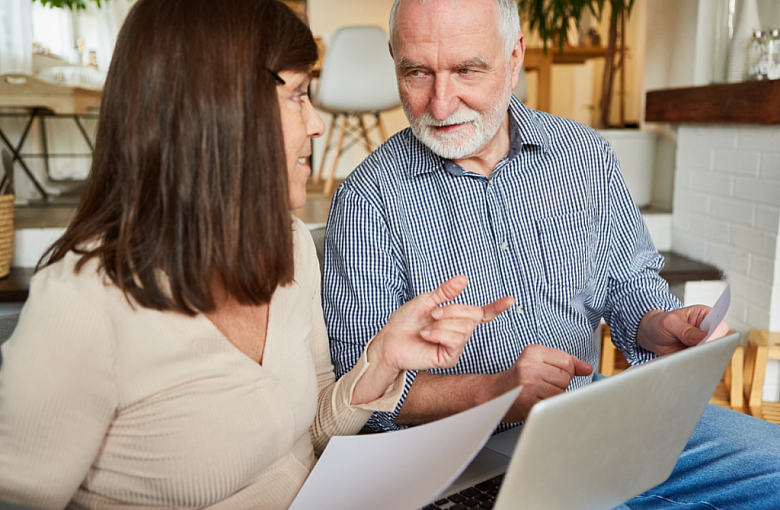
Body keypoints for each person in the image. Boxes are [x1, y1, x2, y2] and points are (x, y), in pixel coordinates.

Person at [0, 1, 513, 509]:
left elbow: (307, 433)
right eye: (297, 96)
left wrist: (381, 360)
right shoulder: (83, 306)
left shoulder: (287, 245)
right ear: (220, 108)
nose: (316, 124)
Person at [323, 0, 780, 507]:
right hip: (454, 450)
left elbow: (628, 283)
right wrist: (493, 392)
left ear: (514, 56)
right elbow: (362, 389)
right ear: (394, 59)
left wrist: (655, 321)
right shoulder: (368, 201)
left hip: (586, 414)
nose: (440, 103)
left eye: (467, 70)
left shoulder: (584, 155)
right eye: (416, 73)